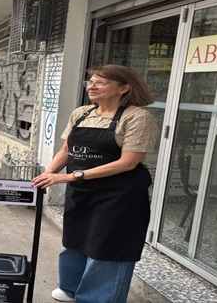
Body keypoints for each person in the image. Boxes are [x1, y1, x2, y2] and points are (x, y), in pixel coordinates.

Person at [32, 64, 159, 303]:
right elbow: (66, 150)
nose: (92, 86)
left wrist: (70, 176)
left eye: (100, 82)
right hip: (82, 193)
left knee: (109, 247)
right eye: (90, 82)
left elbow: (127, 163)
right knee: (75, 240)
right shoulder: (81, 113)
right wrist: (49, 174)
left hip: (119, 196)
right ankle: (71, 288)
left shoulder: (137, 118)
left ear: (124, 88)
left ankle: (98, 298)